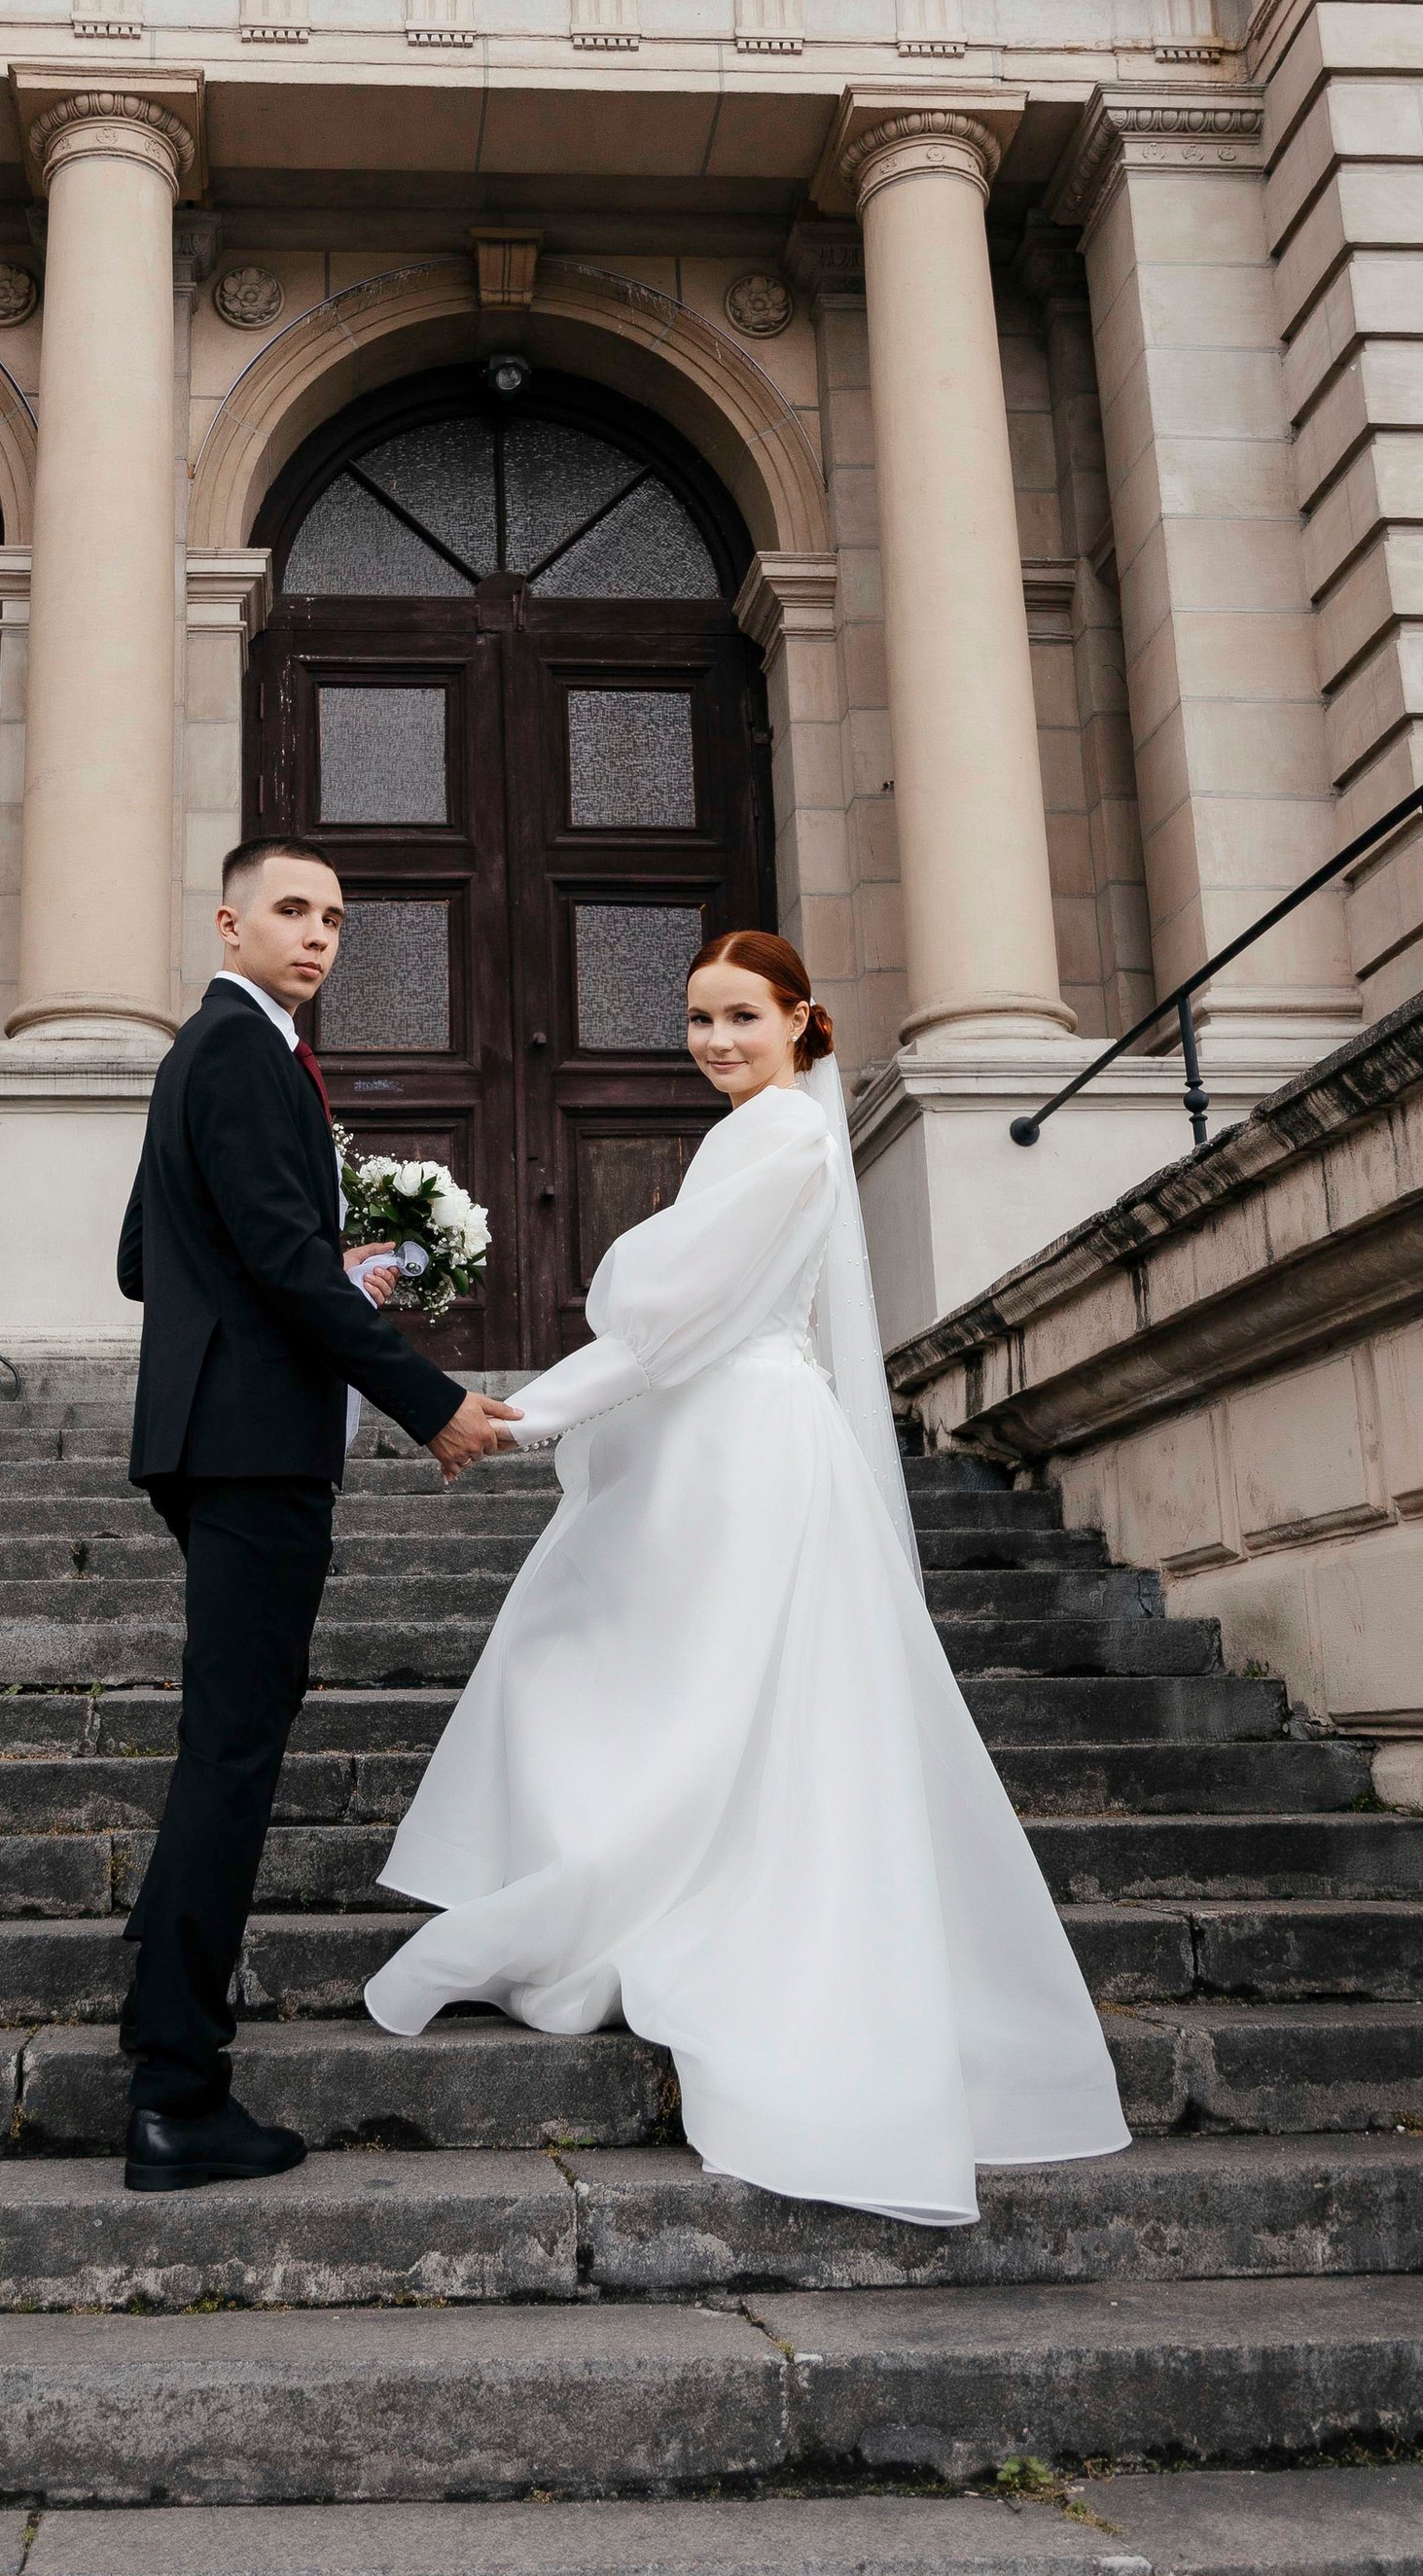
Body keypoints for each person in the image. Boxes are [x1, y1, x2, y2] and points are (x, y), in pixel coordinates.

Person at [365, 929, 1128, 2223]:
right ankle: (631, 1873)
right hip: (718, 1437)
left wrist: (522, 1418)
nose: (715, 1040)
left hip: (741, 1449)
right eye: (698, 1019)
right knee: (664, 1672)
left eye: (741, 1017)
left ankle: (644, 1891)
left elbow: (673, 1324)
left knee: (678, 1678)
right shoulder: (757, 1134)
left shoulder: (781, 1138)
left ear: (801, 1021)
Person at [116, 835, 518, 2192]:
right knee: (234, 1751)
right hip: (252, 1447)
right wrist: (429, 1402)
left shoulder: (211, 1052)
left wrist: (298, 1258)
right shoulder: (243, 1049)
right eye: (292, 910)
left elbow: (145, 1257)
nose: (318, 936)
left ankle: (166, 2025)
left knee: (228, 1738)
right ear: (228, 923)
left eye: (335, 919)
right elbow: (280, 1265)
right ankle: (176, 2089)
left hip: (216, 1437)